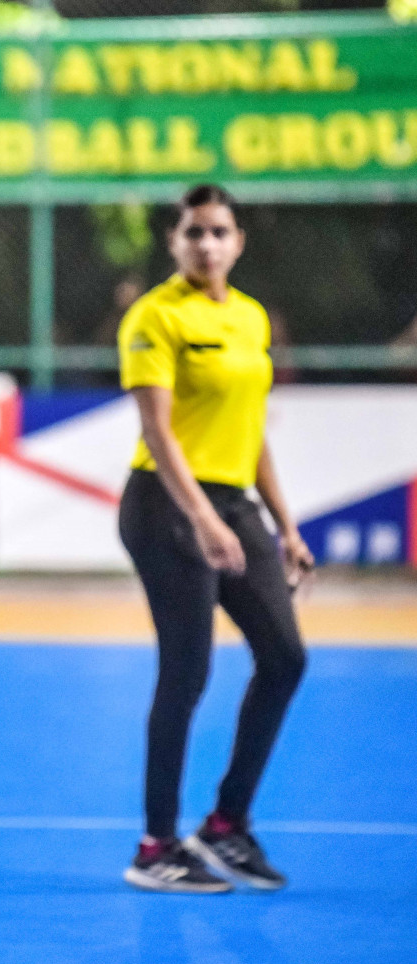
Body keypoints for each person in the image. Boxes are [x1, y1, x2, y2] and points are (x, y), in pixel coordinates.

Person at [116, 184, 315, 894]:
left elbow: (252, 431)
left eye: (219, 231)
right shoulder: (154, 316)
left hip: (236, 504)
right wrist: (201, 518)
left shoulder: (253, 318)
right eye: (194, 232)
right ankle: (156, 846)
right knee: (188, 670)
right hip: (167, 506)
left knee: (286, 657)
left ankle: (227, 826)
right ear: (175, 240)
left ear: (238, 242)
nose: (206, 243)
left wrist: (286, 525)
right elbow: (158, 431)